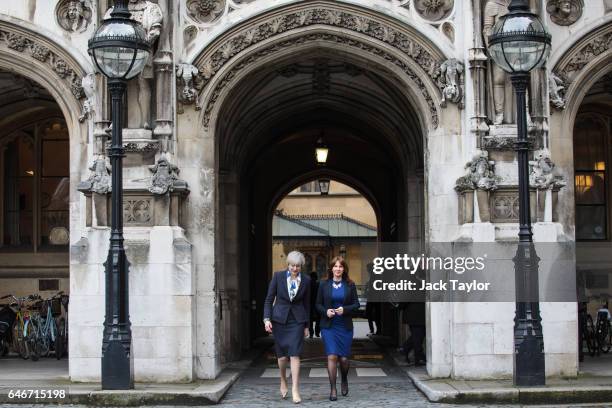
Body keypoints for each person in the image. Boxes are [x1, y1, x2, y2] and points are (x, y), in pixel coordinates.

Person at [263, 251, 311, 404]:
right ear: (288, 264)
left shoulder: (307, 280)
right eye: (292, 265)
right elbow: (269, 299)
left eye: (297, 266)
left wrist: (306, 326)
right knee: (282, 357)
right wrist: (266, 319)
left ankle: (295, 389)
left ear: (301, 266)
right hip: (279, 320)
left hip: (297, 320)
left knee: (295, 354)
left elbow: (307, 304)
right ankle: (283, 379)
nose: (295, 268)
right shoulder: (278, 277)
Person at [316, 256, 360, 401]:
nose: (338, 269)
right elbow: (318, 304)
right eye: (335, 266)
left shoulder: (350, 285)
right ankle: (333, 389)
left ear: (344, 269)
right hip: (329, 326)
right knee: (332, 356)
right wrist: (325, 311)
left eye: (340, 266)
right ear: (331, 268)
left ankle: (344, 379)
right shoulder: (323, 284)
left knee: (344, 359)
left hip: (345, 325)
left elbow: (356, 305)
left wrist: (345, 309)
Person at [364, 263, 380, 335]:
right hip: (374, 297)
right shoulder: (374, 275)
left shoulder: (374, 275)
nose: (367, 270)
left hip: (373, 297)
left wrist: (368, 289)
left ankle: (374, 330)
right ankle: (375, 330)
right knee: (374, 314)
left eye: (368, 268)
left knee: (371, 313)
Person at [309, 272, 320, 338]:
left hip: (310, 304)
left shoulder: (308, 284)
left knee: (310, 319)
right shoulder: (318, 284)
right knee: (318, 319)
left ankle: (311, 333)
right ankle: (317, 332)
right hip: (317, 303)